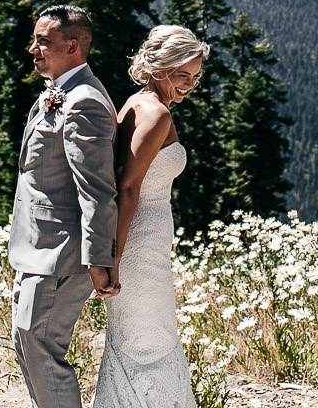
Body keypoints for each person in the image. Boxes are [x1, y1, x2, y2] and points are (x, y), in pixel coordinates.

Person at [91, 24, 209, 408]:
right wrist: (113, 257)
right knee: (150, 341)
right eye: (181, 75)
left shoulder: (136, 103)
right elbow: (127, 187)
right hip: (139, 249)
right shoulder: (156, 114)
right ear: (159, 68)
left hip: (143, 244)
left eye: (195, 76)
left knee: (136, 339)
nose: (189, 84)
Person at [9, 5, 120, 408]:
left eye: (43, 41)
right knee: (27, 343)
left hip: (61, 251)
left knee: (39, 344)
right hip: (36, 247)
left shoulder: (84, 100)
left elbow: (96, 187)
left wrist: (97, 258)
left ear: (73, 46)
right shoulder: (61, 89)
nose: (32, 49)